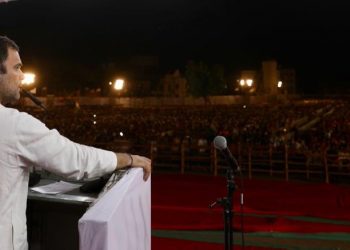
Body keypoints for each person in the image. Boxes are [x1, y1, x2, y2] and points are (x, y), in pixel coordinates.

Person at [0, 35, 152, 250]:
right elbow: (75, 160)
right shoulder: (14, 125)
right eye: (16, 68)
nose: (22, 76)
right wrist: (127, 159)